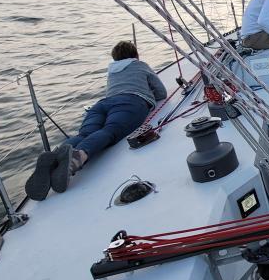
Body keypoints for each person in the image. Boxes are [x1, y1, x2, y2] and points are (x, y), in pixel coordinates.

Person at [23, 41, 169, 200]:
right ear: (136, 55)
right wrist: (148, 95)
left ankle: (55, 158)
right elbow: (161, 92)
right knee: (108, 131)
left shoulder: (112, 71)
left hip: (102, 104)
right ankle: (76, 159)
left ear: (115, 59)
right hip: (130, 103)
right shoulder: (140, 65)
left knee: (85, 133)